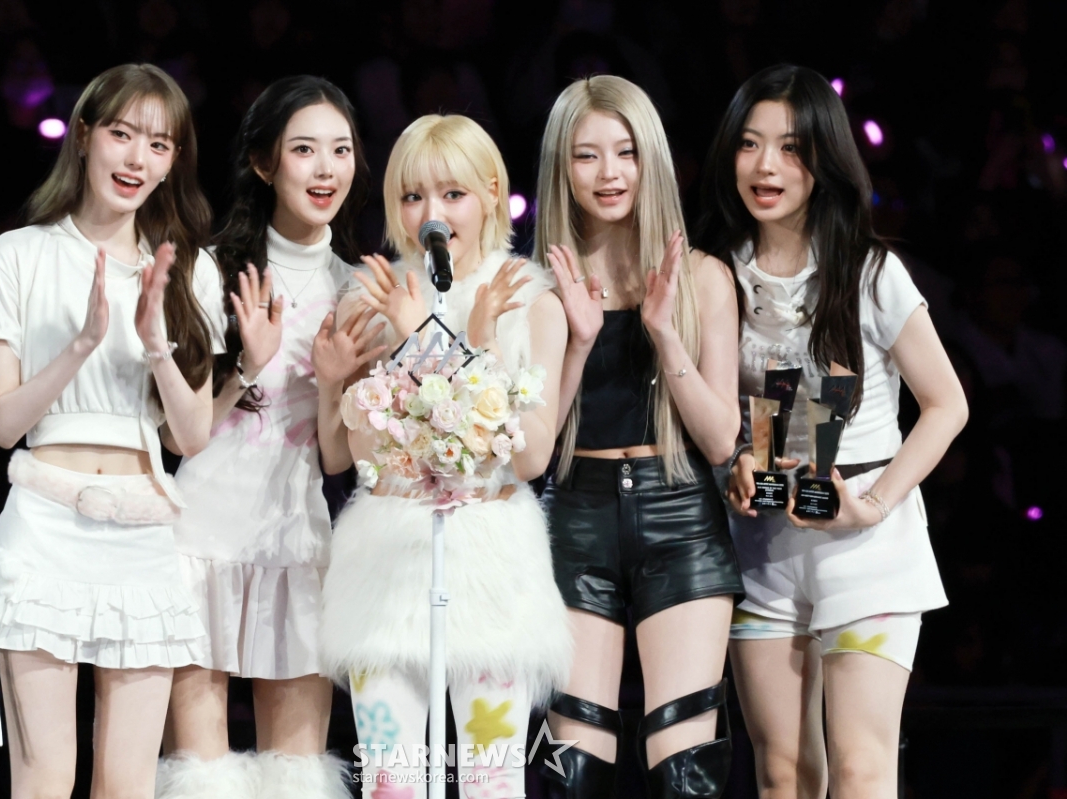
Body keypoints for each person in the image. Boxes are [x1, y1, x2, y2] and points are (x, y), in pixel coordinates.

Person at [0, 64, 227, 798]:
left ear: (174, 161)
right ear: (84, 137)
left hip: (143, 534)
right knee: (44, 777)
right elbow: (2, 424)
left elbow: (190, 436)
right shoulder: (17, 255)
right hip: (44, 524)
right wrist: (80, 345)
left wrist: (156, 343)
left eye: (158, 144)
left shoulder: (189, 272)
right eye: (122, 134)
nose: (137, 159)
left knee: (127, 784)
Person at [694, 64, 968, 799]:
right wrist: (737, 463)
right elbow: (716, 410)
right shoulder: (716, 273)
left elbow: (947, 404)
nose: (766, 166)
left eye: (790, 147)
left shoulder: (871, 271)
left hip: (866, 546)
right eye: (750, 144)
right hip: (761, 544)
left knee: (860, 768)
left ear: (825, 158)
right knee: (782, 774)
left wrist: (872, 504)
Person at [319, 113, 573, 799]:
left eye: (452, 193)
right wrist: (396, 344)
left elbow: (529, 456)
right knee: (391, 783)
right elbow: (361, 454)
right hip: (385, 568)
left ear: (491, 192)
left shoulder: (529, 300)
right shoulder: (371, 297)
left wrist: (443, 343)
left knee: (492, 783)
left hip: (491, 568)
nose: (431, 213)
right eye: (412, 196)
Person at [155, 75, 382, 799]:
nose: (326, 169)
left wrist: (336, 382)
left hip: (297, 536)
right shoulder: (210, 270)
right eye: (305, 149)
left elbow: (338, 456)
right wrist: (246, 365)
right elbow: (177, 435)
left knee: (298, 773)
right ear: (263, 162)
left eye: (341, 150)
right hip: (201, 534)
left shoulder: (358, 289)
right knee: (200, 776)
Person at [536, 75, 744, 798]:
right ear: (562, 167)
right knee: (573, 769)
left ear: (649, 158)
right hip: (574, 514)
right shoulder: (539, 287)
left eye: (625, 152)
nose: (609, 173)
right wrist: (577, 337)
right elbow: (531, 449)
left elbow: (720, 439)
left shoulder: (704, 278)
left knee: (685, 769)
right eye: (587, 155)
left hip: (680, 513)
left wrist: (664, 331)